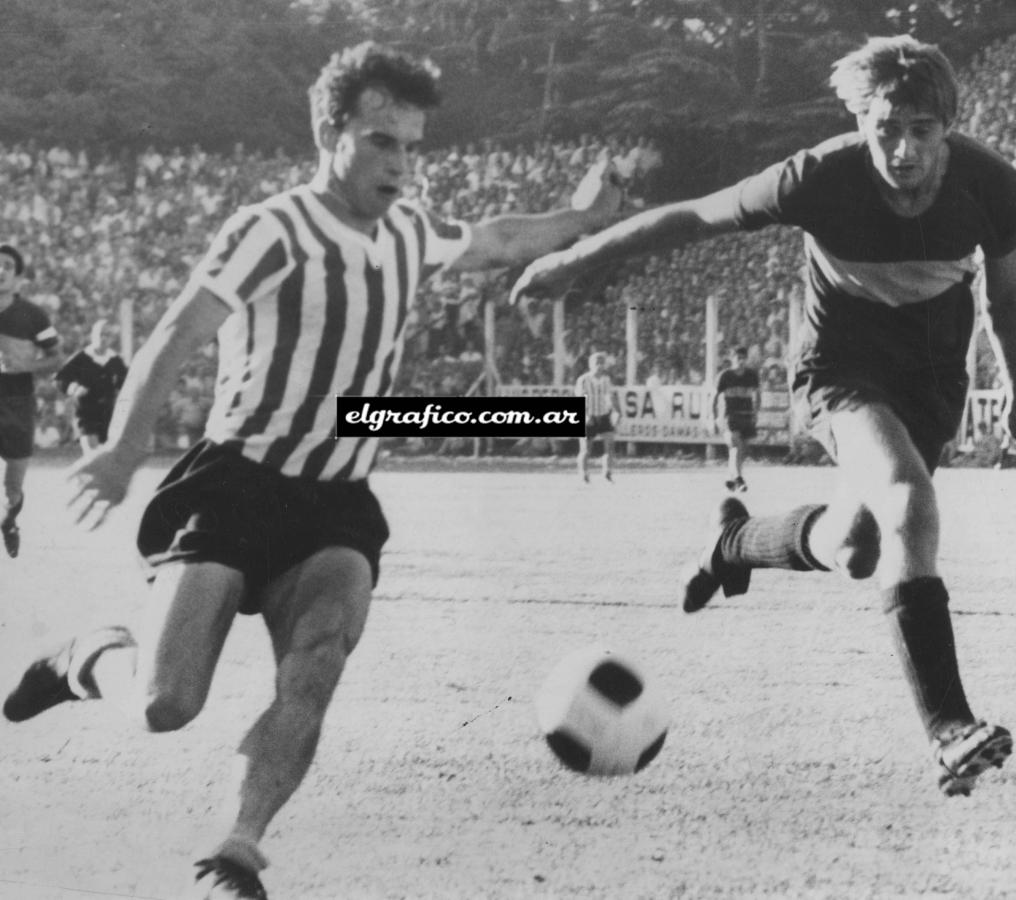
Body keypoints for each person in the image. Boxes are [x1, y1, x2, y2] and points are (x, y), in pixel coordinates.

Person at [2, 42, 622, 900]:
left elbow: (495, 239)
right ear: (330, 135)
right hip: (234, 485)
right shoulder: (270, 229)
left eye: (410, 145)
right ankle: (88, 657)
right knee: (164, 704)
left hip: (335, 505)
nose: (400, 165)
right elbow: (177, 333)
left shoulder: (410, 229)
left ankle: (238, 847)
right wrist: (121, 450)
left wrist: (581, 217)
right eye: (380, 142)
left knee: (318, 658)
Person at [511, 36, 1016, 798]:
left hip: (931, 378)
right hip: (841, 369)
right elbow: (692, 216)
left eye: (920, 131)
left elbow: (1005, 292)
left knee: (860, 545)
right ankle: (948, 730)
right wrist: (574, 258)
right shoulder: (816, 178)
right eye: (884, 129)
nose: (900, 149)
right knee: (905, 502)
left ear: (948, 128)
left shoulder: (992, 187)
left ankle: (733, 544)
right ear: (859, 119)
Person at [0, 242, 62, 558]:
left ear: (18, 276)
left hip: (17, 402)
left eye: (7, 266)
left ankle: (10, 520)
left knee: (14, 486)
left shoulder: (32, 315)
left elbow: (56, 358)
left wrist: (26, 365)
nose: (0, 271)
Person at [54, 318, 128, 454]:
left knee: (106, 457)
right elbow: (60, 380)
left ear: (112, 338)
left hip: (108, 414)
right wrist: (74, 388)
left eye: (107, 334)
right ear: (93, 335)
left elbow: (125, 385)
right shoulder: (82, 358)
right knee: (92, 454)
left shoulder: (116, 361)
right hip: (86, 412)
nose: (103, 338)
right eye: (101, 334)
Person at [714, 345, 760, 492]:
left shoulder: (752, 375)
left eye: (743, 358)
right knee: (736, 446)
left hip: (746, 415)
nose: (741, 361)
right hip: (731, 416)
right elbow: (713, 398)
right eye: (738, 358)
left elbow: (758, 395)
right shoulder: (725, 376)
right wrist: (713, 417)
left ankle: (731, 479)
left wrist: (756, 412)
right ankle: (739, 480)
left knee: (743, 450)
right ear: (732, 359)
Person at [575, 350, 620, 482]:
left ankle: (607, 472)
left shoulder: (606, 380)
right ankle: (584, 473)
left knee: (610, 445)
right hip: (589, 417)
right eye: (597, 362)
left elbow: (610, 397)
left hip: (603, 415)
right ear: (590, 364)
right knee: (585, 449)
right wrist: (585, 415)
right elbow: (580, 398)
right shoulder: (583, 380)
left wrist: (616, 411)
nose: (599, 365)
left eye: (602, 362)